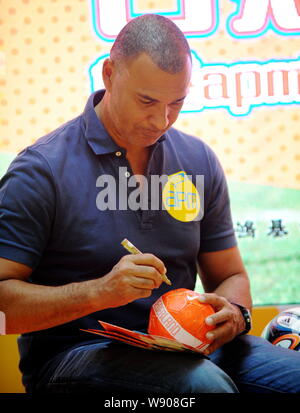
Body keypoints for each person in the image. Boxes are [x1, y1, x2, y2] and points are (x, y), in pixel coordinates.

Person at [0, 14, 299, 395]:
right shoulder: (40, 170)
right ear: (109, 74)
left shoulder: (197, 159)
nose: (162, 120)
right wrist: (100, 292)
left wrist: (234, 312)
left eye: (177, 102)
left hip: (187, 346)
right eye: (147, 101)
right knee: (204, 388)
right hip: (76, 356)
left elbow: (231, 277)